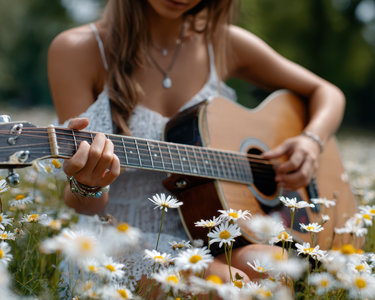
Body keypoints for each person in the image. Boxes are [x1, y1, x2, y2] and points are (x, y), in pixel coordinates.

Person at [48, 0, 345, 290]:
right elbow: (84, 205)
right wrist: (88, 184)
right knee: (228, 286)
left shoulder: (223, 43)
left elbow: (327, 92)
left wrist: (311, 141)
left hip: (216, 232)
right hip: (121, 237)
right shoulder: (78, 50)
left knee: (273, 268)